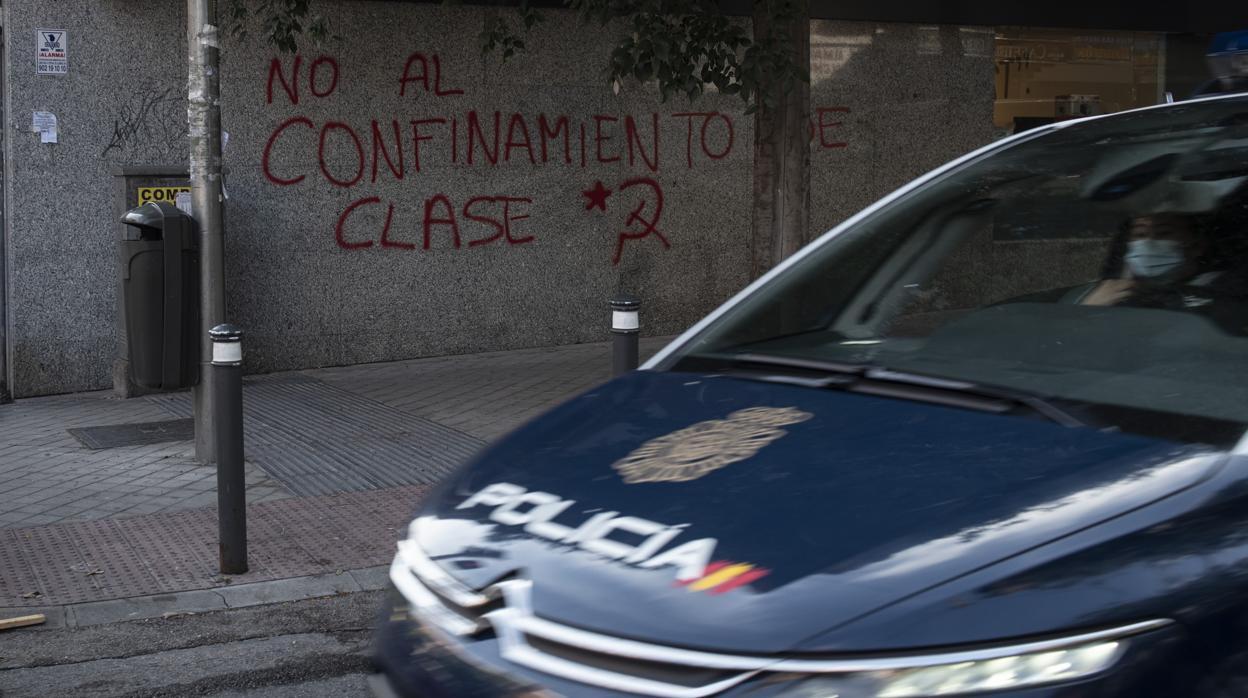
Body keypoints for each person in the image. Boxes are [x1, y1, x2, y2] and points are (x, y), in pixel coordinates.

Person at [1077, 212, 1216, 306]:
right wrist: (1091, 307)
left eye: (1164, 233)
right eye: (1140, 234)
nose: (1148, 243)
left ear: (1197, 246)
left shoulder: (1218, 291)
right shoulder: (1107, 293)